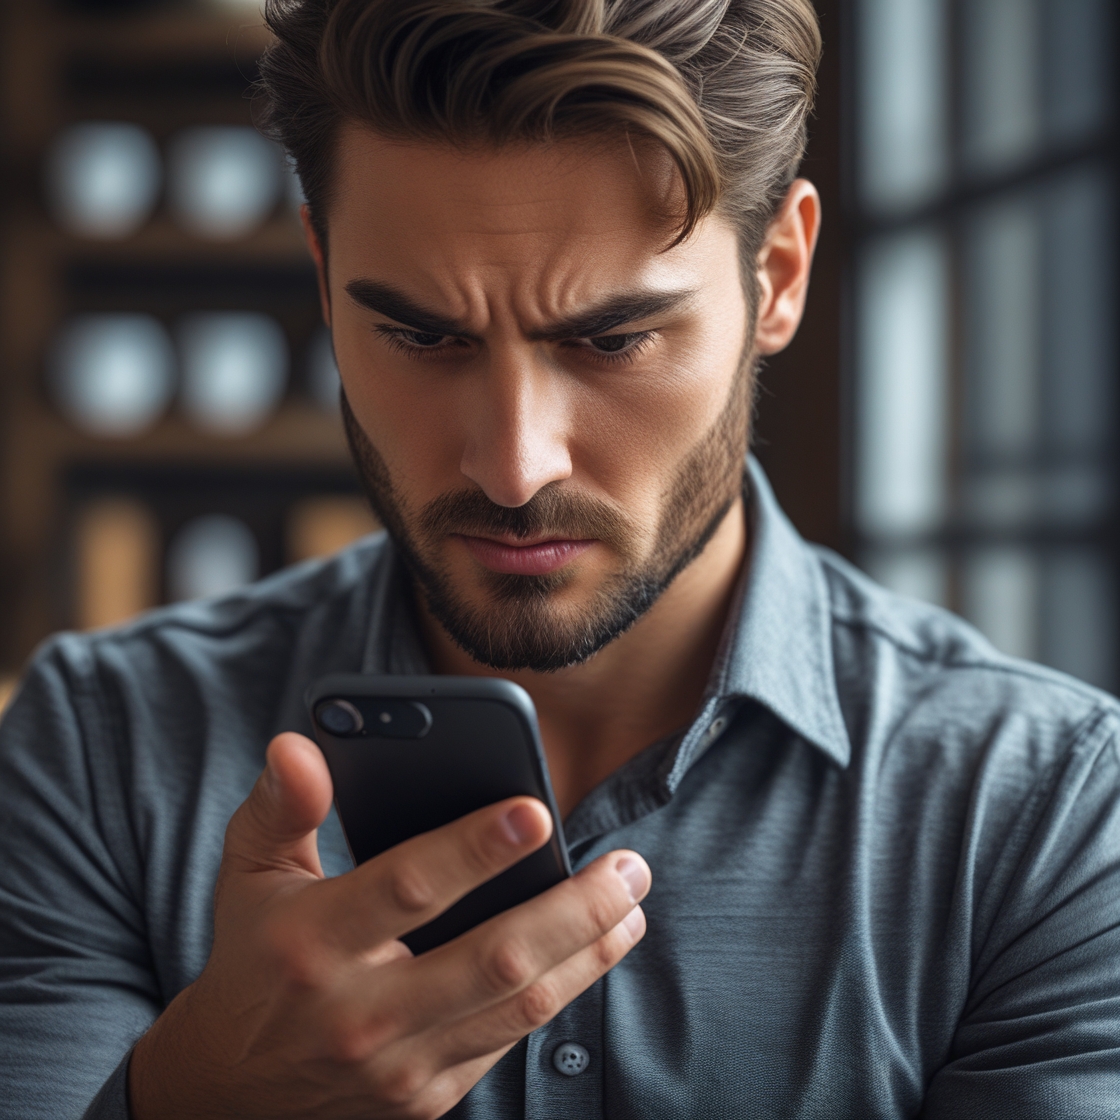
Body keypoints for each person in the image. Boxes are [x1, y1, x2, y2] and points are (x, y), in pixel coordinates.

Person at [2, 0, 1119, 1116]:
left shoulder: (1047, 813)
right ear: (321, 269)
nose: (511, 465)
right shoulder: (100, 747)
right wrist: (193, 1097)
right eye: (420, 335)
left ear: (776, 276)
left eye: (612, 339)